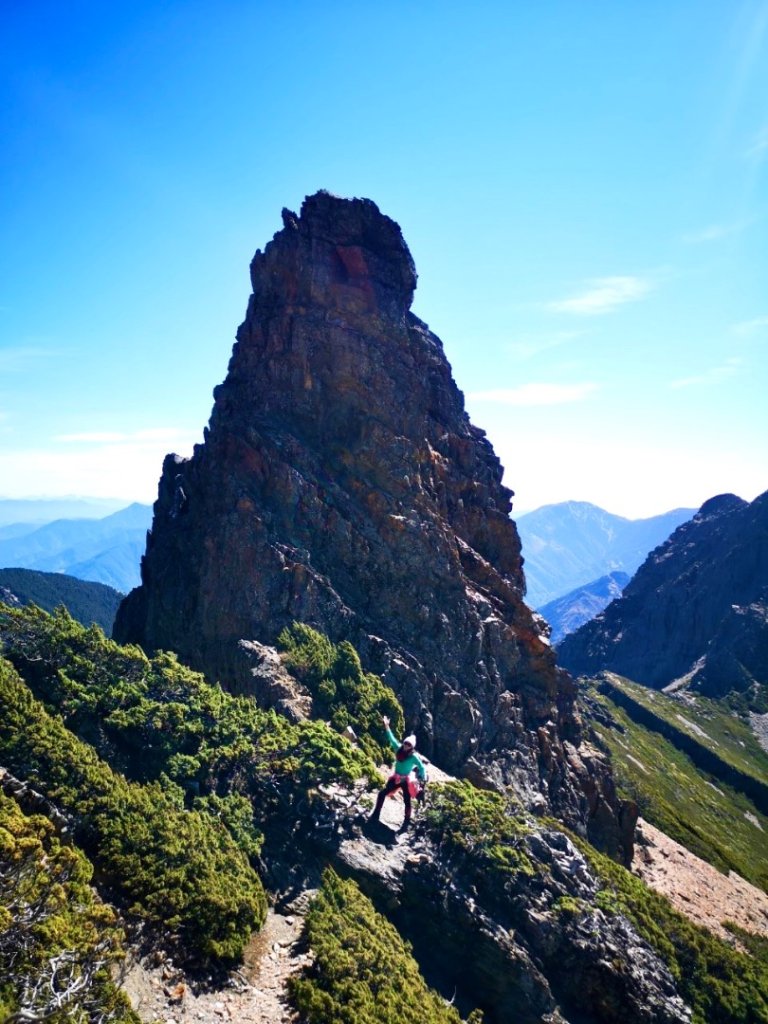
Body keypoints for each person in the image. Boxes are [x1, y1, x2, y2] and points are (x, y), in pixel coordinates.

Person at [369, 715, 427, 831]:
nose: (406, 746)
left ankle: (406, 822)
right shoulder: (398, 748)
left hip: (406, 780)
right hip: (396, 778)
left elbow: (421, 767)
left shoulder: (413, 756)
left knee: (407, 800)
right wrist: (386, 726)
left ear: (412, 747)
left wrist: (422, 778)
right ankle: (375, 815)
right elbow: (392, 739)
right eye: (406, 743)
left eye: (409, 745)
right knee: (382, 794)